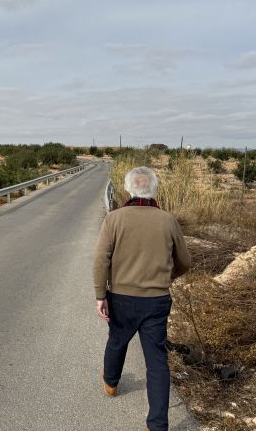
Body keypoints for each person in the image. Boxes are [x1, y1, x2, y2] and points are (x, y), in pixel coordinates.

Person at [92, 166, 191, 431]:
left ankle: (111, 383)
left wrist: (101, 294)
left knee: (116, 340)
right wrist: (165, 279)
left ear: (127, 189)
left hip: (121, 297)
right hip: (157, 300)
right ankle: (157, 425)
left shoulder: (113, 219)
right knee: (157, 361)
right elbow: (185, 261)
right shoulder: (167, 220)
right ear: (154, 190)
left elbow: (101, 260)